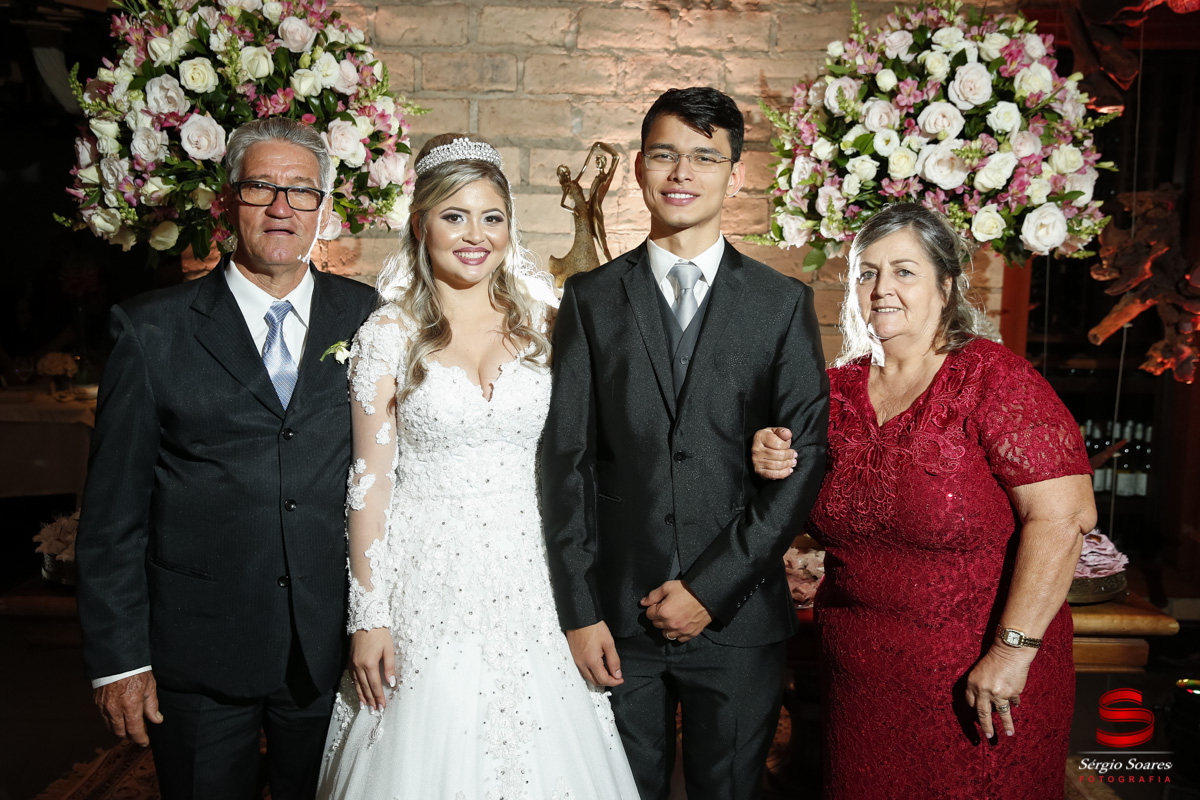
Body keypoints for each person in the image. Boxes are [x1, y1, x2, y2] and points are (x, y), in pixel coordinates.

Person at [316, 134, 639, 798]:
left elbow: (593, 454)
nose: (475, 235)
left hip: (534, 576)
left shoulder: (548, 326)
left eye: (491, 217)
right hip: (427, 580)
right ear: (420, 224)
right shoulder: (387, 335)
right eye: (454, 216)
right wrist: (368, 616)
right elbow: (368, 486)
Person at [540, 87, 830, 800]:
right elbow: (566, 462)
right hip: (616, 620)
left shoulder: (781, 303)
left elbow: (806, 457)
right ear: (639, 167)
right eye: (666, 154)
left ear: (734, 174)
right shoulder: (591, 298)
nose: (682, 172)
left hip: (736, 618)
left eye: (705, 157)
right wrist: (579, 613)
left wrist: (710, 588)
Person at [751, 203, 1097, 797]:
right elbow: (818, 513)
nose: (882, 288)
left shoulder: (996, 380)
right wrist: (768, 458)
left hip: (983, 684)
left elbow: (1065, 518)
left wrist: (1012, 654)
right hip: (859, 685)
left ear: (947, 284)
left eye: (904, 271)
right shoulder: (828, 391)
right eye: (866, 272)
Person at [76, 117, 377, 798]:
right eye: (261, 188)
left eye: (301, 192)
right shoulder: (151, 328)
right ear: (226, 202)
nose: (281, 208)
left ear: (322, 211)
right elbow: (112, 515)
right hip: (200, 651)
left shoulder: (371, 318)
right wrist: (118, 661)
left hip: (330, 649)